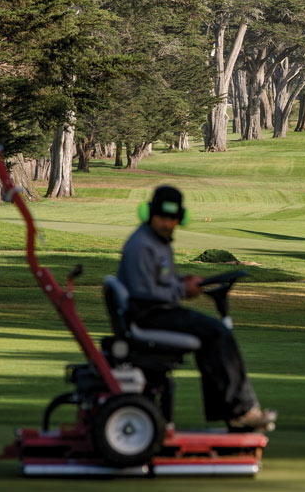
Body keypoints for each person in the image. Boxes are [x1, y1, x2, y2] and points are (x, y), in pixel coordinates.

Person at [117, 185, 276, 432]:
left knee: (216, 333)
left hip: (159, 311)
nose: (167, 224)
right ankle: (238, 411)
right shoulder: (142, 245)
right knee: (216, 333)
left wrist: (183, 281)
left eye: (172, 219)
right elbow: (143, 292)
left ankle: (236, 410)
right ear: (149, 214)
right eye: (162, 218)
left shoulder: (159, 243)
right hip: (149, 315)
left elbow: (162, 279)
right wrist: (182, 290)